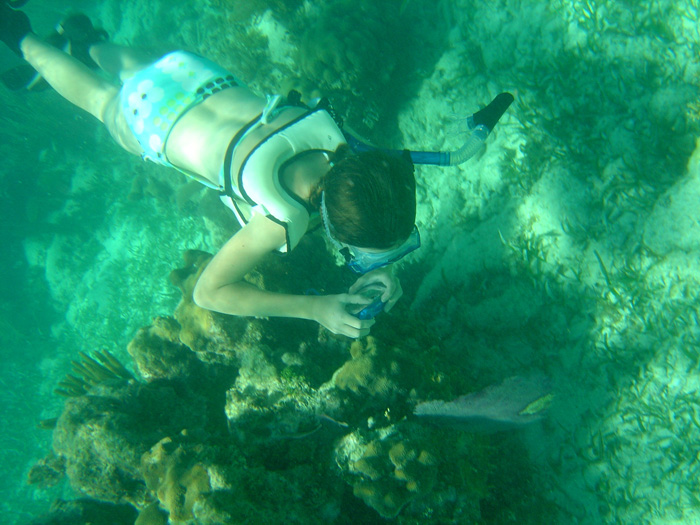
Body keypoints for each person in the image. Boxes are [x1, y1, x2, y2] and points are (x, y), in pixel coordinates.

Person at [1, 5, 420, 338]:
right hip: (153, 123)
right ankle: (21, 37)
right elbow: (209, 293)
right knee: (100, 99)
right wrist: (314, 309)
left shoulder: (337, 136)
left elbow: (366, 198)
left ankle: (89, 45)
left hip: (193, 75)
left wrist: (376, 263)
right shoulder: (278, 221)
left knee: (140, 67)